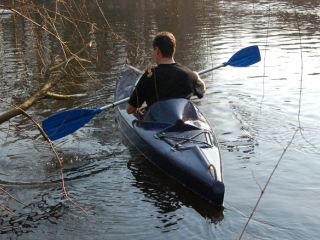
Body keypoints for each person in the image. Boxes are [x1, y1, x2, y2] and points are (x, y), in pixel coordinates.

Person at [126, 31, 206, 114]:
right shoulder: (190, 75)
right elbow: (201, 92)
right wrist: (197, 76)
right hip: (182, 122)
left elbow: (130, 109)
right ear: (173, 50)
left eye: (153, 50)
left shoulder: (149, 76)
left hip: (158, 123)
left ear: (157, 51)